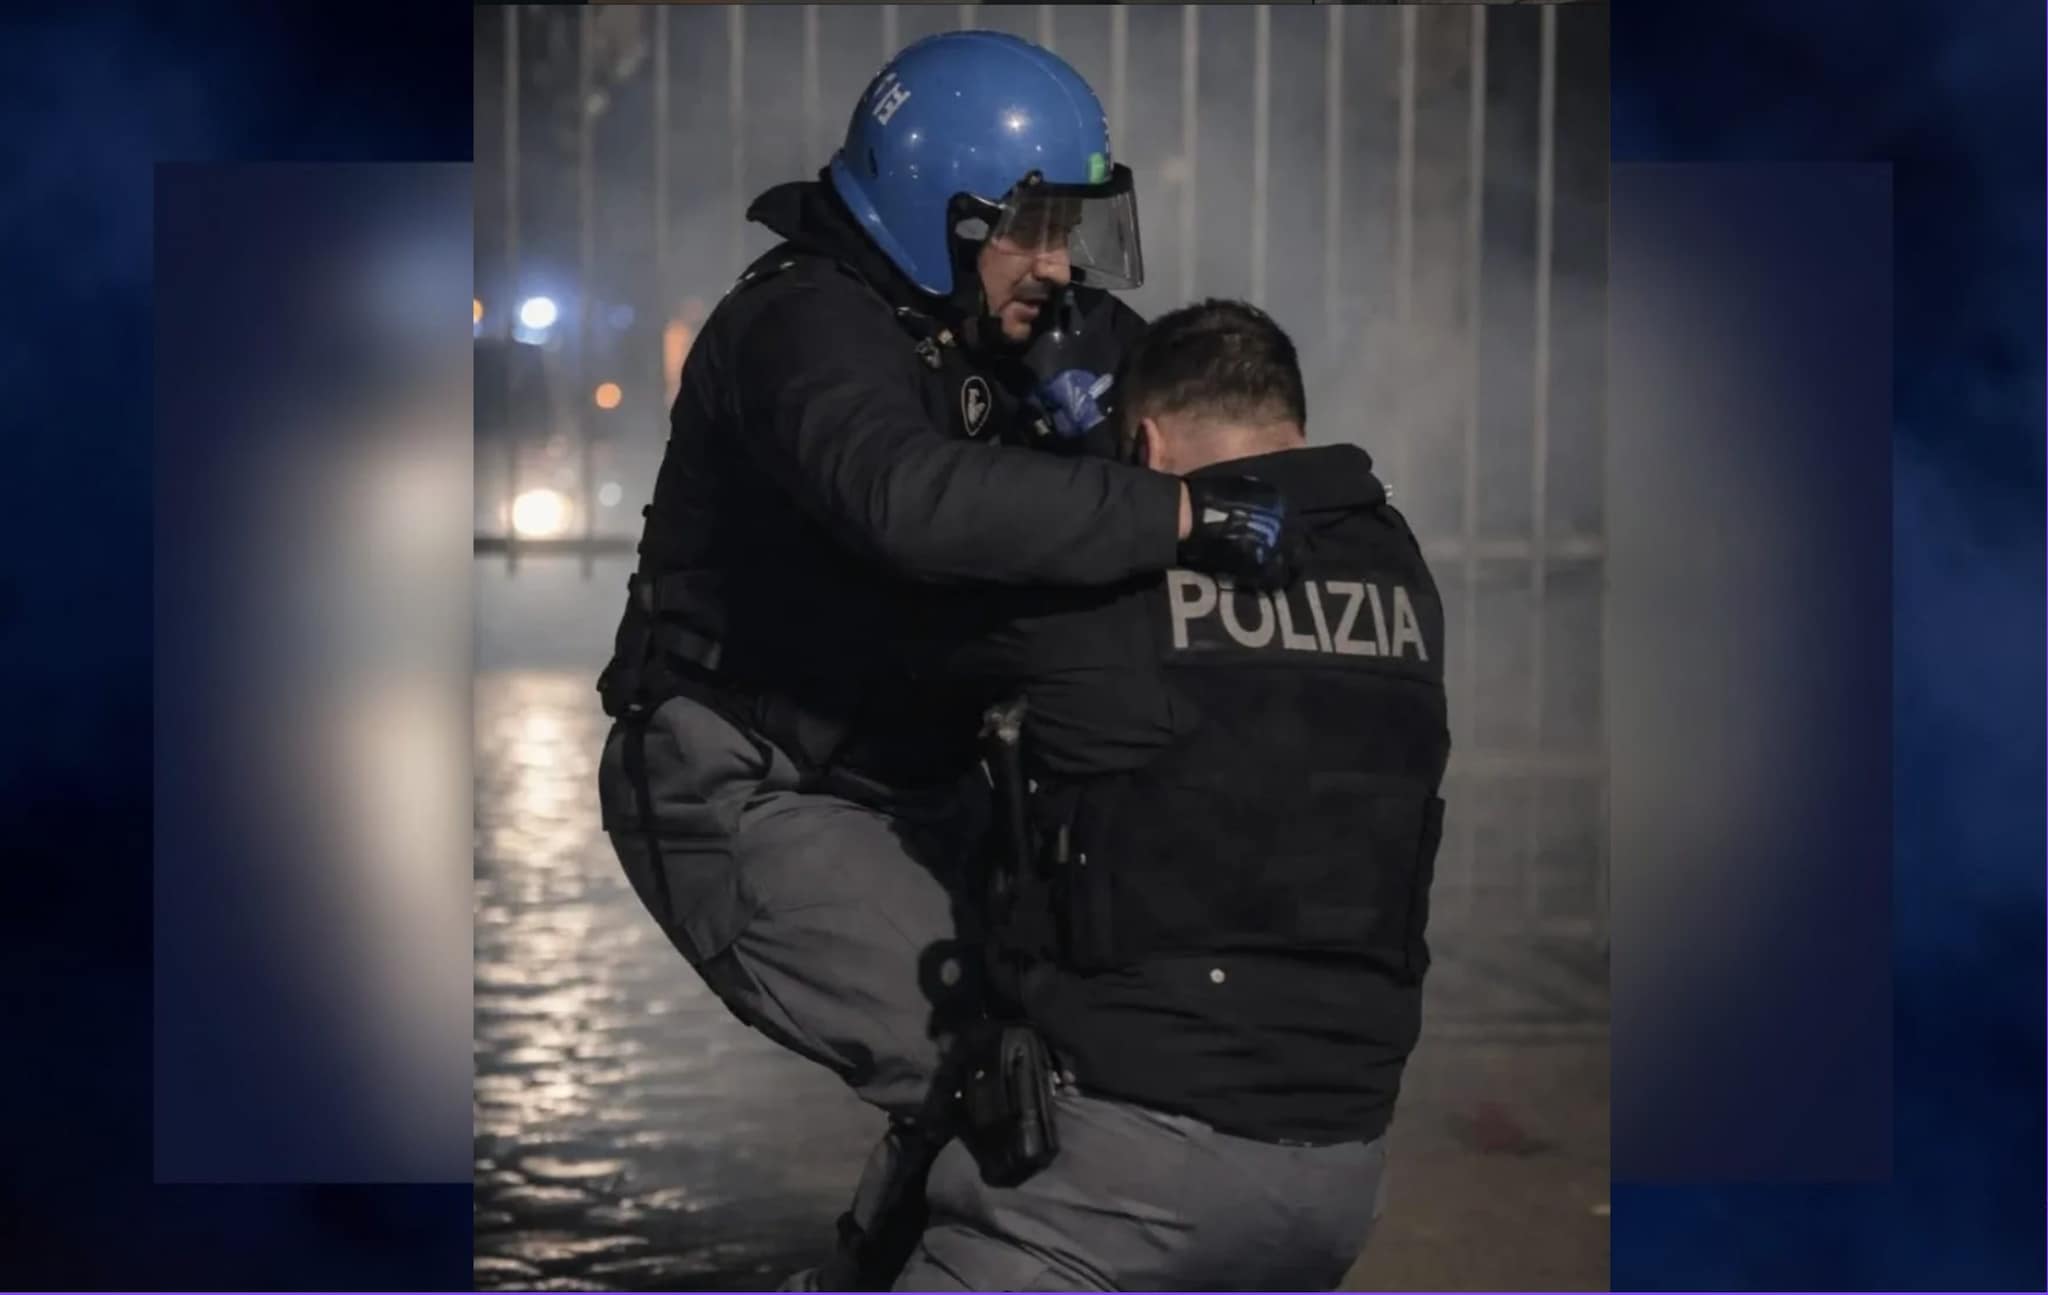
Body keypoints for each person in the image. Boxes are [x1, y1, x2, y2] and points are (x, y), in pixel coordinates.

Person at [593, 33, 1298, 1291]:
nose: (1058, 264)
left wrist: (1271, 485)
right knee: (994, 1079)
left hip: (916, 781)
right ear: (938, 207)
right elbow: (906, 500)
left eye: (1067, 229)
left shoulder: (1007, 317)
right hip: (748, 779)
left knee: (1081, 1048)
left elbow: (1199, 420)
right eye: (1032, 228)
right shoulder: (799, 326)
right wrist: (1176, 513)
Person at [889, 299, 1452, 1291]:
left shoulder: (1114, 588)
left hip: (1129, 1162)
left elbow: (917, 663)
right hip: (1346, 1167)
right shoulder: (1399, 570)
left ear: (1146, 445)